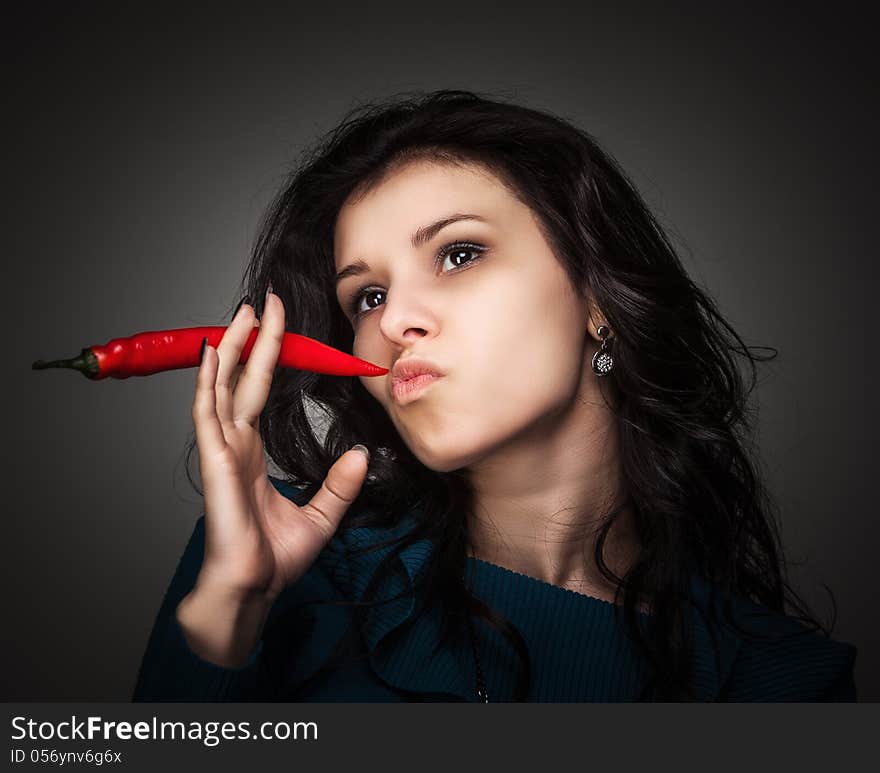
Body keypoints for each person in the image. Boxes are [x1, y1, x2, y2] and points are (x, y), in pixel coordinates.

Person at [132, 89, 858, 702]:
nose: (393, 321)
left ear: (597, 295)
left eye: (458, 253)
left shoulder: (780, 677)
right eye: (368, 295)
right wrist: (226, 614)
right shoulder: (277, 569)